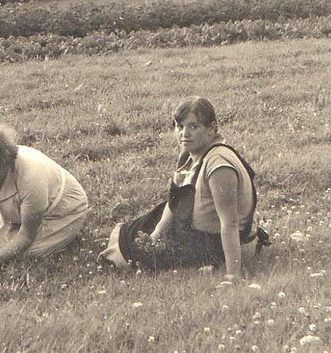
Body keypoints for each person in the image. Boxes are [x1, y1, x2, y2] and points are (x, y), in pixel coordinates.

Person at [103, 96, 265, 279]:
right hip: (192, 230)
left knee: (123, 257)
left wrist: (232, 274)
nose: (184, 134)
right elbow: (177, 199)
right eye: (179, 126)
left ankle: (210, 264)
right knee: (126, 232)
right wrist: (157, 232)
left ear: (211, 129)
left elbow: (230, 223)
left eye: (193, 127)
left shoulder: (219, 166)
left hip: (216, 243)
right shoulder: (190, 152)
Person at [0, 124, 89, 271]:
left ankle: (66, 233)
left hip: (62, 209)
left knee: (26, 253)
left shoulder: (31, 177)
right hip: (25, 212)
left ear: (1, 163)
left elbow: (27, 235)